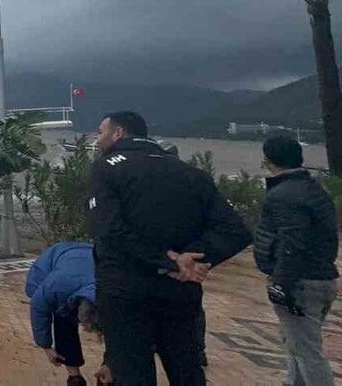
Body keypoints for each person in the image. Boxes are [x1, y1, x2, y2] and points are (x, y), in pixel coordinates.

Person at [90, 111, 252, 385]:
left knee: (132, 373)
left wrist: (167, 260)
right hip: (181, 291)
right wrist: (194, 257)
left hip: (125, 292)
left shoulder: (106, 168)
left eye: (100, 132)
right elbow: (236, 231)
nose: (97, 140)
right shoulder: (192, 173)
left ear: (118, 133)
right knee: (186, 369)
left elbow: (109, 230)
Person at [254, 135, 339, 386]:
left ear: (268, 160)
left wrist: (281, 283)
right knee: (297, 345)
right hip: (321, 278)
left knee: (307, 352)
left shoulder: (283, 195)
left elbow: (293, 243)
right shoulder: (315, 190)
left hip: (300, 283)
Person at [26, 241, 108, 386]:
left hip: (89, 257)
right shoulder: (57, 285)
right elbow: (38, 308)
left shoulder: (114, 288)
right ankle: (74, 377)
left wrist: (112, 365)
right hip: (54, 260)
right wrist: (46, 347)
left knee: (115, 326)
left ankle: (106, 373)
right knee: (62, 316)